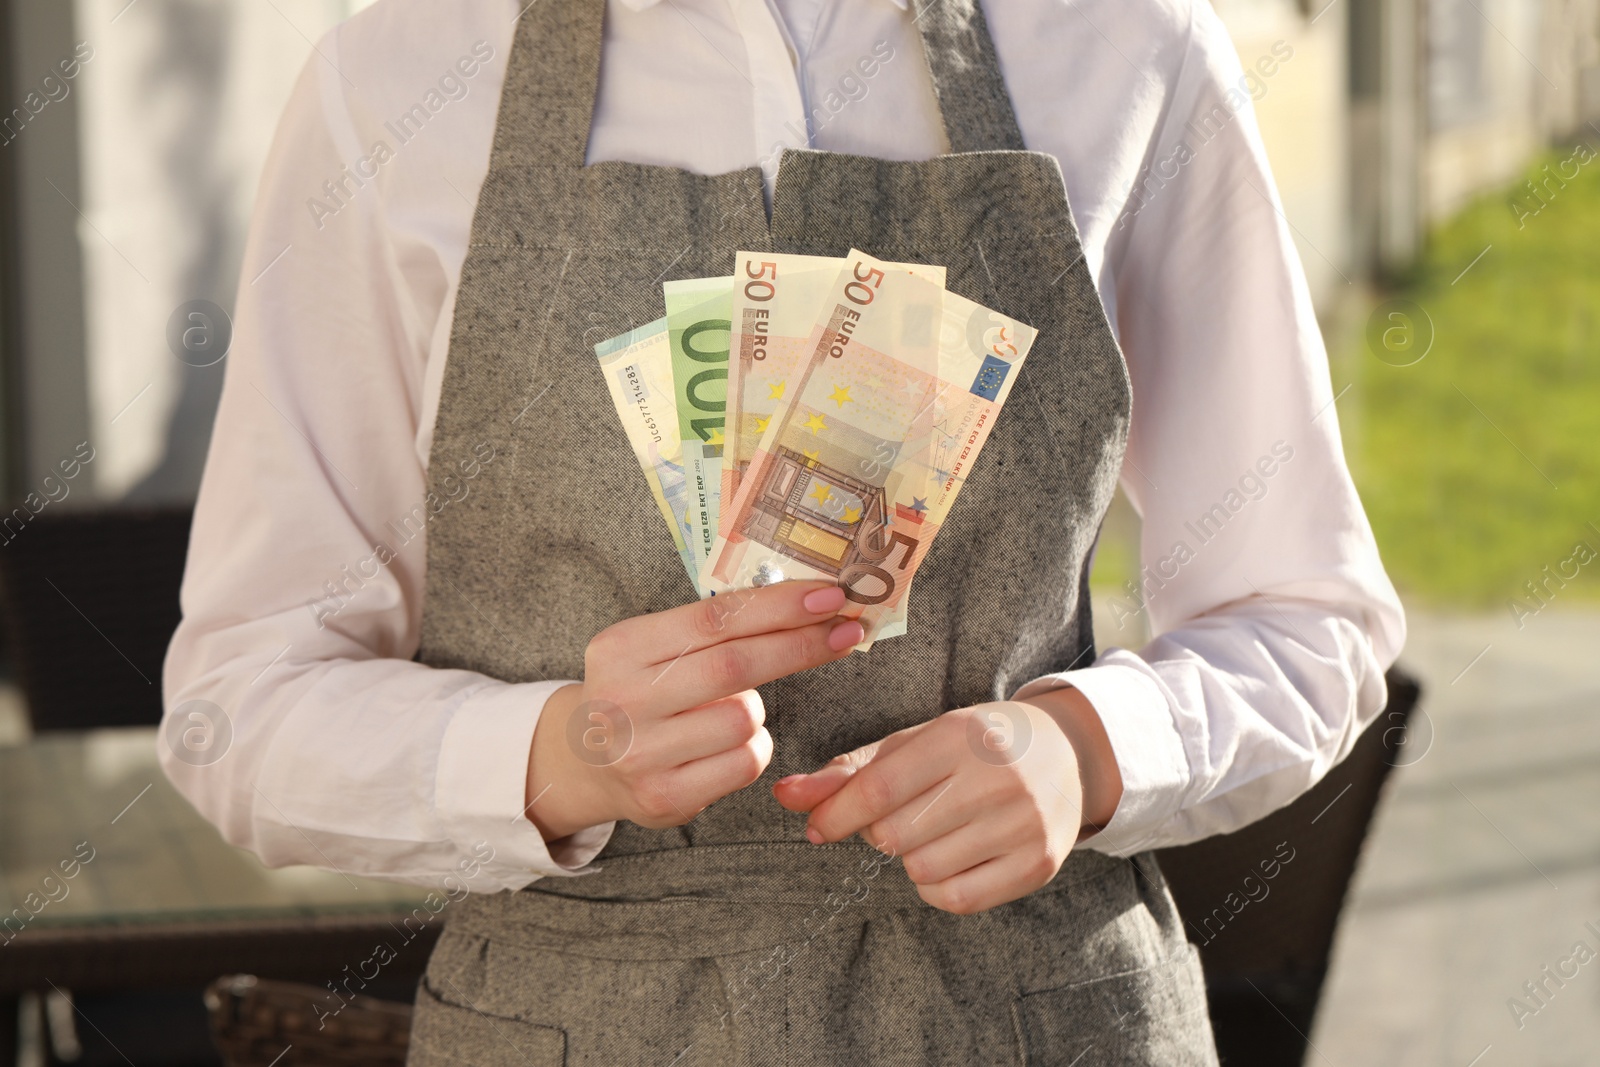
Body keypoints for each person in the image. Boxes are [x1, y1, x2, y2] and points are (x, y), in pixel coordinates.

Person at [161, 0, 1404, 1062]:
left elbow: (1310, 615)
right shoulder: (397, 78)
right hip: (568, 1022)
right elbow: (241, 705)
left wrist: (1088, 746)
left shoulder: (1121, 41)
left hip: (1042, 1012)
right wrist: (555, 754)